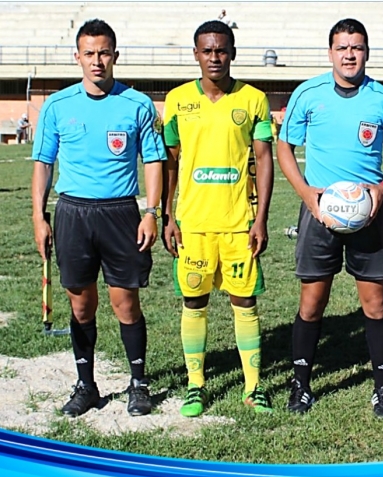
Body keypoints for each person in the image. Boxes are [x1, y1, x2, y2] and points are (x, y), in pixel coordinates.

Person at [277, 18, 383, 418]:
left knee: (375, 304)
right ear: (330, 53)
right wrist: (307, 194)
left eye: (356, 47)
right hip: (320, 211)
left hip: (368, 215)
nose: (349, 55)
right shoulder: (308, 94)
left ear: (366, 52)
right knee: (311, 303)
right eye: (342, 47)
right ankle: (301, 385)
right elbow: (284, 147)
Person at [31, 19, 166, 417]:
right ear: (77, 57)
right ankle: (86, 385)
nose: (97, 61)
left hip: (121, 213)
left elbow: (153, 161)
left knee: (125, 304)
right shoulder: (57, 106)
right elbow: (43, 164)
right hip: (73, 213)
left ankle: (138, 384)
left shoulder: (137, 104)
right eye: (89, 53)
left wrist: (151, 212)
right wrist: (39, 216)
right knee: (81, 305)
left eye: (104, 53)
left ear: (115, 56)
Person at [162, 20, 274, 417]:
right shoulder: (176, 100)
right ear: (196, 54)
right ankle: (196, 386)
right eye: (207, 51)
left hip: (239, 223)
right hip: (193, 224)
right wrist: (168, 215)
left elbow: (264, 159)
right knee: (194, 300)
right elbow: (170, 162)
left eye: (221, 50)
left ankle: (253, 387)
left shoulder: (254, 99)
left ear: (233, 53)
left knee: (244, 301)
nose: (215, 57)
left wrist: (261, 219)